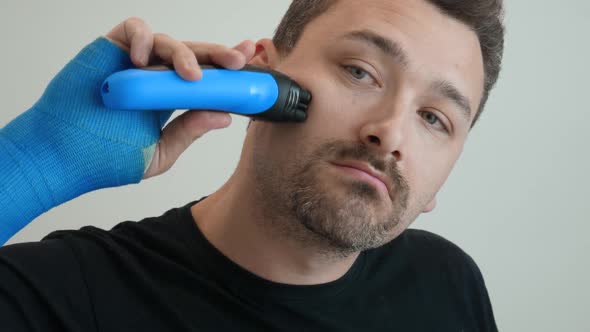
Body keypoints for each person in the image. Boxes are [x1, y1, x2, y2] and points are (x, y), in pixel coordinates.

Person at [0, 0, 505, 330]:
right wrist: (37, 160)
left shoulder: (447, 283)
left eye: (435, 119)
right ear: (263, 72)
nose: (391, 133)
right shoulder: (63, 297)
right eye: (360, 71)